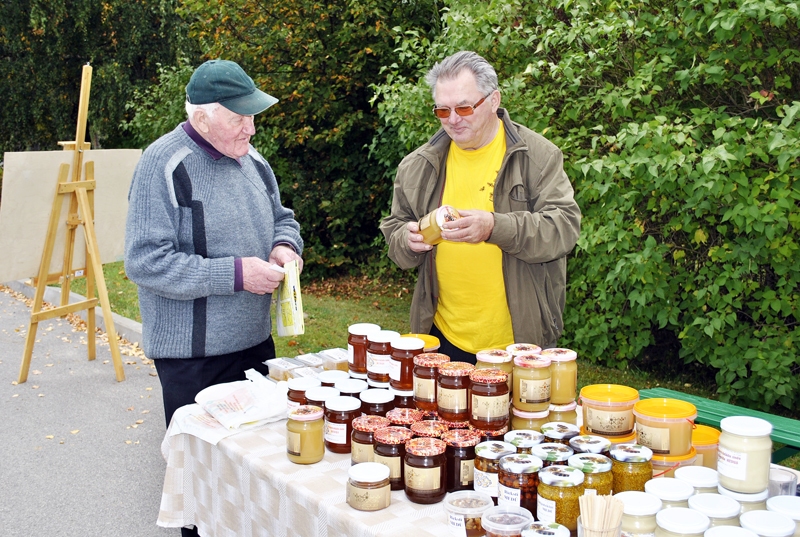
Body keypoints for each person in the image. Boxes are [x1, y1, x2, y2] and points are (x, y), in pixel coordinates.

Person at [125, 59, 302, 425]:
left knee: (253, 467)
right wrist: (237, 274)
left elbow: (282, 217)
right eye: (239, 118)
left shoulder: (252, 160)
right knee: (199, 471)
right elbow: (145, 261)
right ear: (202, 119)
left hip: (255, 347)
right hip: (194, 361)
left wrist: (285, 246)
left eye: (252, 117)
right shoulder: (162, 163)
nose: (250, 128)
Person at [380, 51, 581, 364]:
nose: (453, 119)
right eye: (442, 111)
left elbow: (563, 228)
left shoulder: (538, 156)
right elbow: (396, 228)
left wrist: (494, 226)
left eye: (463, 107)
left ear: (494, 100)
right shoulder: (418, 166)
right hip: (441, 337)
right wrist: (407, 240)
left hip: (518, 342)